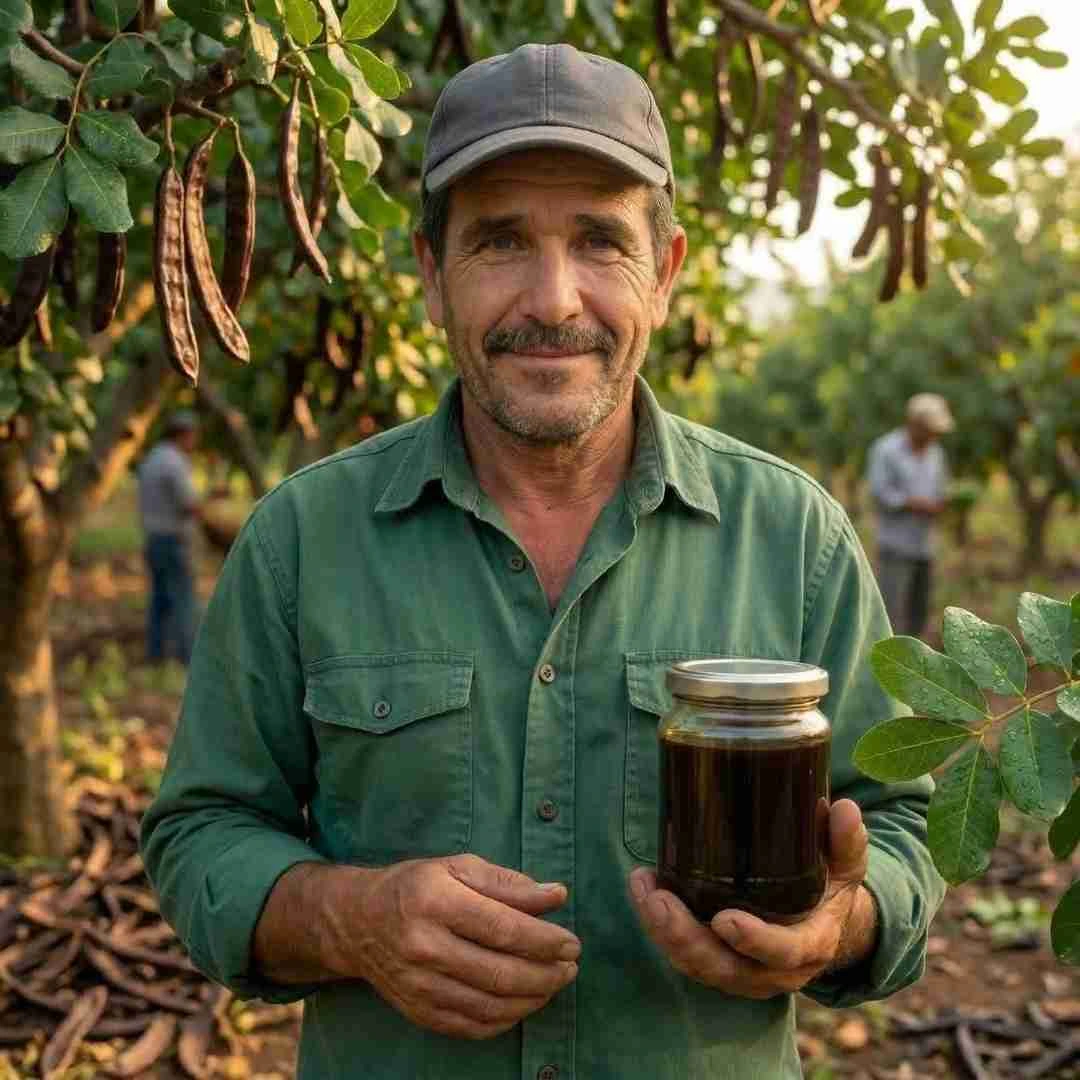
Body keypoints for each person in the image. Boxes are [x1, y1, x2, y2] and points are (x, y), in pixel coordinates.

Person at [142, 44, 944, 1079]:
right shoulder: (303, 538)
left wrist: (842, 922)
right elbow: (202, 830)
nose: (554, 299)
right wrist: (348, 917)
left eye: (601, 241)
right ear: (433, 277)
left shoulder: (795, 538)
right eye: (501, 241)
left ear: (664, 273)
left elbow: (900, 827)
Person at [866, 393, 954, 638]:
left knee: (920, 609)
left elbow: (941, 488)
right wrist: (912, 504)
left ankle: (916, 663)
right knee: (891, 611)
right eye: (929, 430)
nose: (933, 436)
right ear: (914, 424)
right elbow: (879, 492)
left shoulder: (936, 453)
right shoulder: (886, 450)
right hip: (895, 545)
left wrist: (944, 503)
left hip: (924, 545)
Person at [136, 409, 202, 664]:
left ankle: (155, 655)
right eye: (193, 436)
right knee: (183, 600)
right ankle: (188, 656)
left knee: (160, 600)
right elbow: (189, 504)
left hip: (152, 538)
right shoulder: (174, 462)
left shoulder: (151, 459)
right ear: (184, 435)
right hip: (172, 540)